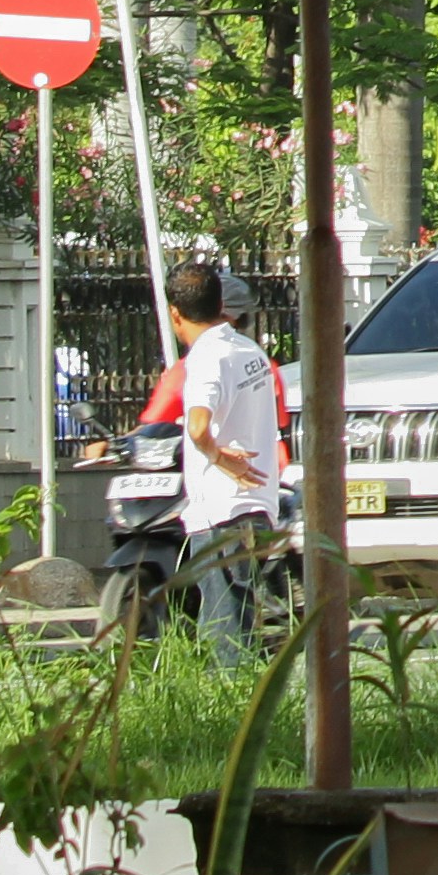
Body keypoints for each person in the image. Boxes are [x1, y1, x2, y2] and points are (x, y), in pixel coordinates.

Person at [162, 260, 291, 658]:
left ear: (175, 313)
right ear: (220, 304)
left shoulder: (207, 358)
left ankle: (239, 696)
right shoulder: (250, 352)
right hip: (257, 508)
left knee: (225, 634)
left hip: (222, 512)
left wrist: (217, 456)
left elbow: (198, 426)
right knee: (241, 624)